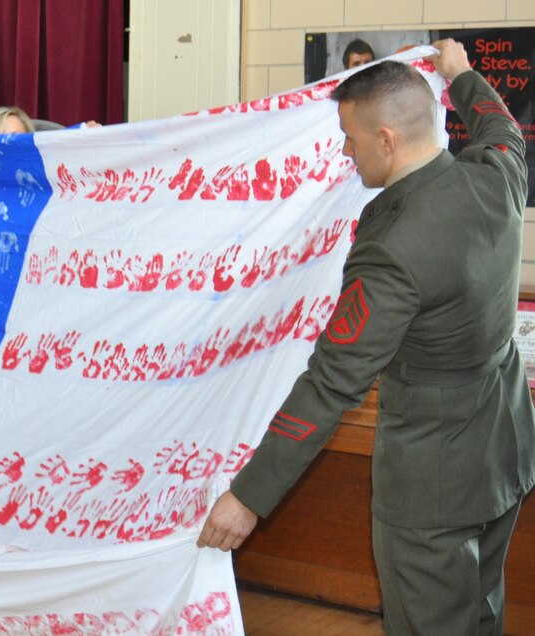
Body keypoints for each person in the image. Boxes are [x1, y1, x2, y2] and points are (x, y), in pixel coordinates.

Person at [198, 40, 535, 635]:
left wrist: (248, 497)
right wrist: (460, 73)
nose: (345, 152)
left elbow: (332, 383)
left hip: (433, 478)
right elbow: (501, 126)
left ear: (387, 140)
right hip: (503, 447)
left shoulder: (394, 249)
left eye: (350, 139)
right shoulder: (498, 174)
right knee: (482, 609)